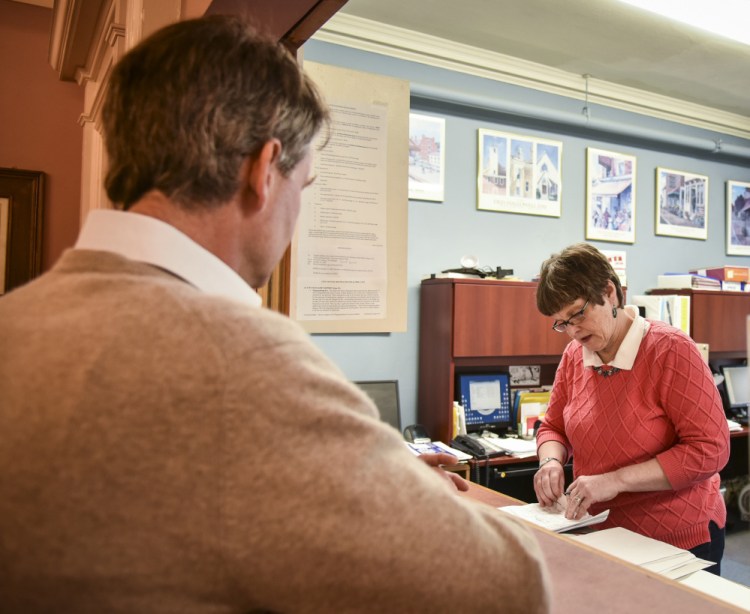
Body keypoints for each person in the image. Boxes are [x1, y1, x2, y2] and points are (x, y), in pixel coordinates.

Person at [0, 15, 550, 612]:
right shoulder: (247, 364)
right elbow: (506, 585)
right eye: (305, 184)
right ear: (264, 172)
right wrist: (410, 490)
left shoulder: (15, 322)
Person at [533, 243, 730, 574]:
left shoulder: (671, 350)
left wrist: (616, 480)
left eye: (578, 314)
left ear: (609, 293)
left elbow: (711, 450)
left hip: (676, 540)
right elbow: (553, 427)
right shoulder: (573, 357)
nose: (573, 331)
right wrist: (550, 461)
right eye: (561, 323)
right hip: (602, 535)